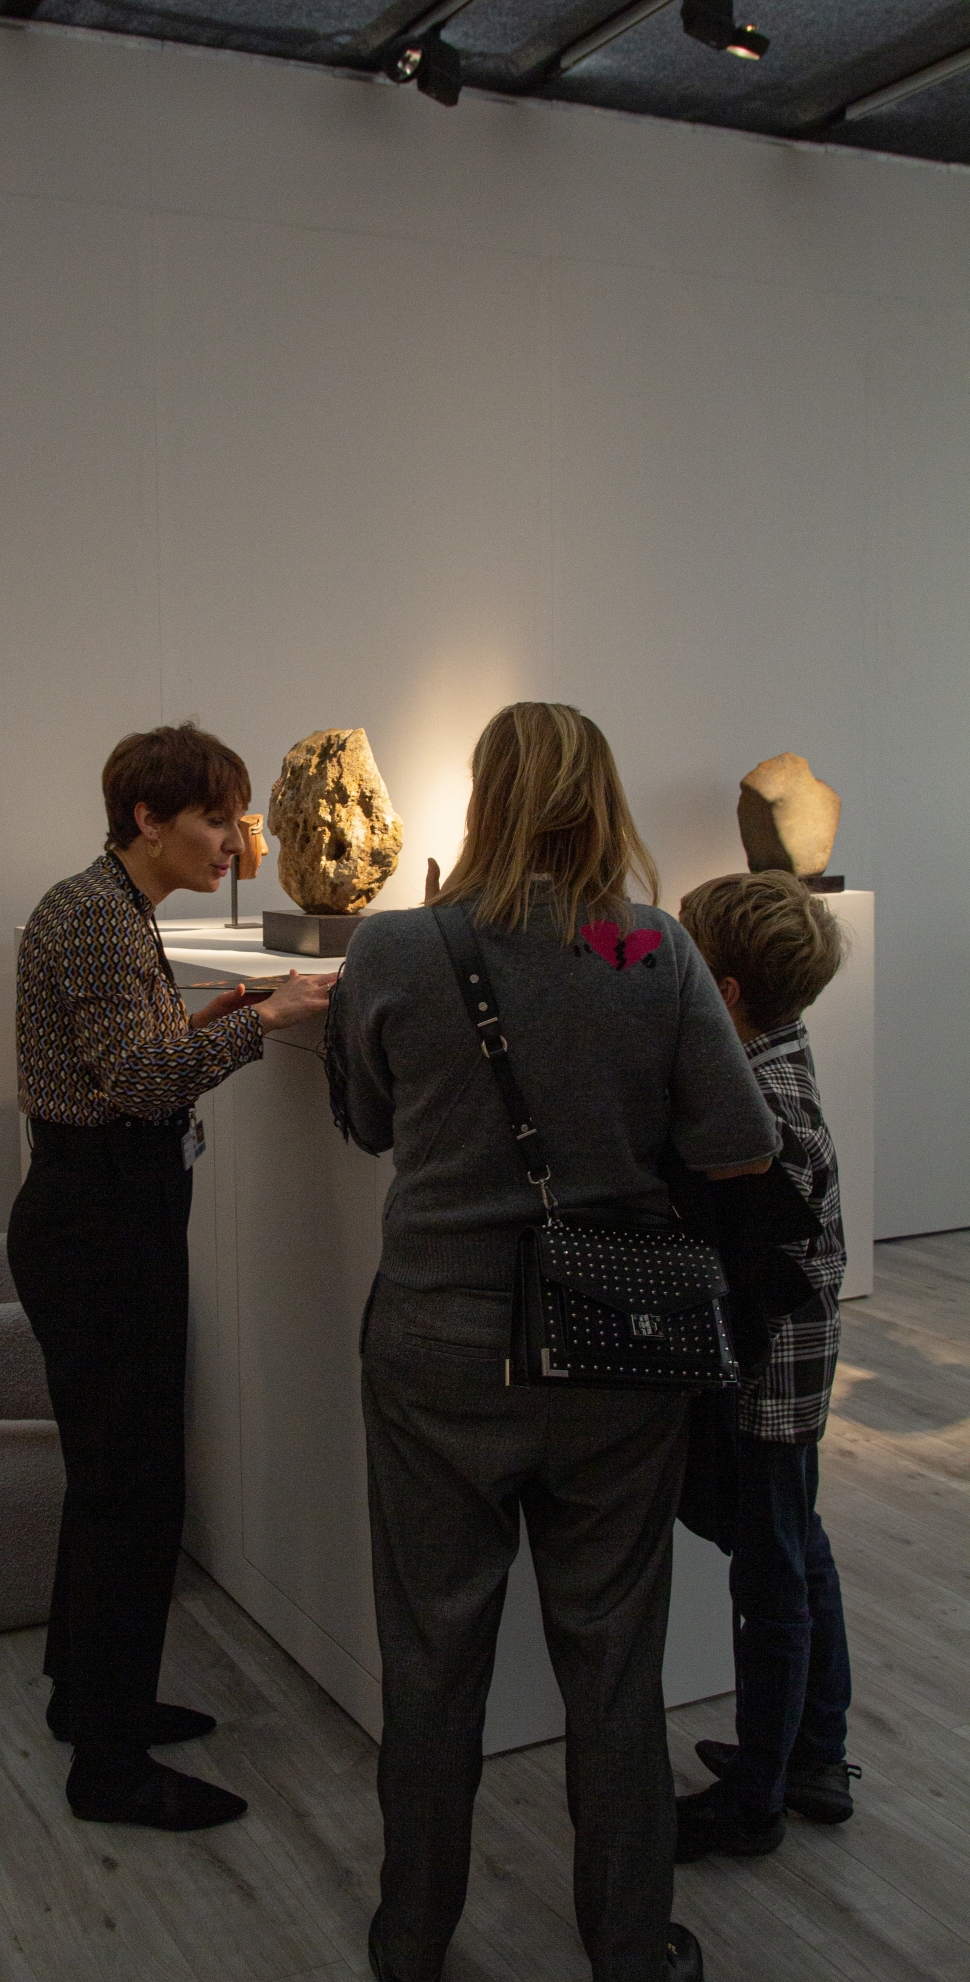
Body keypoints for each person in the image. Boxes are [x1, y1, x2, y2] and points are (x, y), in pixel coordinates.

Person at [328, 702, 779, 1982]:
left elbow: (367, 1118)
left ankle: (411, 1936)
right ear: (604, 798)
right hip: (614, 1344)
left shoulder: (400, 943)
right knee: (615, 1662)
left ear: (484, 796)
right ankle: (631, 1946)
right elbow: (736, 1140)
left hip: (437, 1339)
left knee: (431, 1657)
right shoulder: (650, 945)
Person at [9, 722, 333, 1832]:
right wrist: (265, 1022)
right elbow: (144, 1086)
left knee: (109, 1475)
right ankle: (108, 1765)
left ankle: (88, 1698)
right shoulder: (101, 917)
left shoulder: (101, 903)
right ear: (147, 818)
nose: (235, 842)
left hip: (94, 1213)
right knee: (133, 1485)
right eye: (214, 818)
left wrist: (223, 1015)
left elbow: (123, 1058)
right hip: (102, 1224)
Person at [673, 871, 857, 1860]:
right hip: (789, 1357)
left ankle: (756, 1793)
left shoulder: (758, 1101)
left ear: (725, 989)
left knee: (772, 1579)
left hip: (770, 1370)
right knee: (794, 1545)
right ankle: (812, 1751)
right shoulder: (775, 1046)